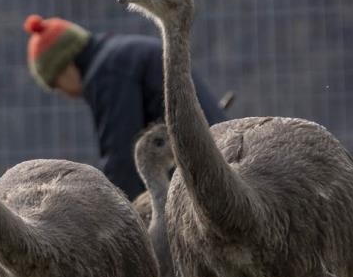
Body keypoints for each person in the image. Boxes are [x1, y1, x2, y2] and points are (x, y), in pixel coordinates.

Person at [24, 15, 227, 199]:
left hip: (199, 177)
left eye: (57, 85)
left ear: (65, 68)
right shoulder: (119, 53)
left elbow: (121, 159)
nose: (67, 94)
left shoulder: (108, 73)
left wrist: (120, 220)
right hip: (218, 153)